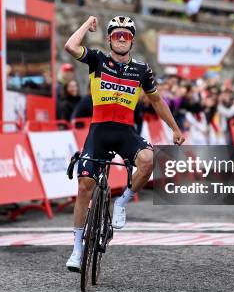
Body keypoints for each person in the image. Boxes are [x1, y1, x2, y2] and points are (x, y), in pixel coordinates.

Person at [63, 15, 184, 272]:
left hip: (126, 132)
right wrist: (86, 24)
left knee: (149, 159)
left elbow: (158, 102)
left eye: (126, 35)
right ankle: (77, 249)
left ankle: (121, 202)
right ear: (108, 39)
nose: (121, 38)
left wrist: (174, 128)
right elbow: (71, 47)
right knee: (85, 186)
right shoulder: (97, 59)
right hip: (99, 132)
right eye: (116, 34)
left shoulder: (142, 70)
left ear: (132, 40)